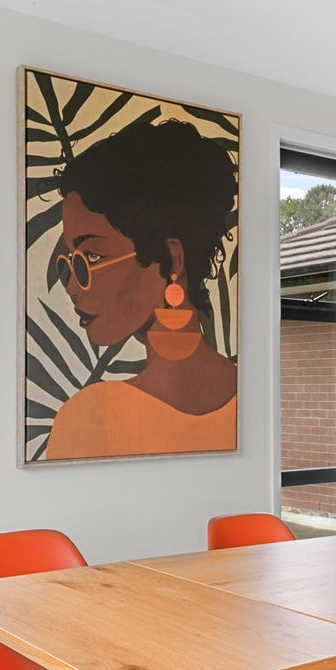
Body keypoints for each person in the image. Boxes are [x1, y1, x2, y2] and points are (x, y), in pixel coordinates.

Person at [43, 119, 238, 460]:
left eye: (92, 255)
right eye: (71, 261)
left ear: (171, 259)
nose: (72, 285)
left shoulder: (89, 419)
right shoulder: (250, 394)